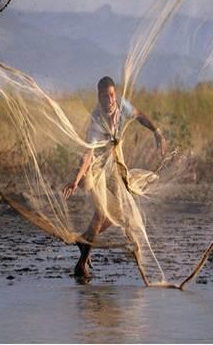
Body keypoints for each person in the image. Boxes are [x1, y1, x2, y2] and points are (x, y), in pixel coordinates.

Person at [63, 76, 166, 279]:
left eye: (112, 95)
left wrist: (157, 132)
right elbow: (88, 154)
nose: (109, 100)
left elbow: (139, 116)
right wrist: (76, 179)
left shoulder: (122, 106)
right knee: (101, 213)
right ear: (99, 97)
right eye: (105, 96)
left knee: (117, 212)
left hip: (114, 165)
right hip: (97, 168)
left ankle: (84, 239)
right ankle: (81, 264)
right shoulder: (96, 120)